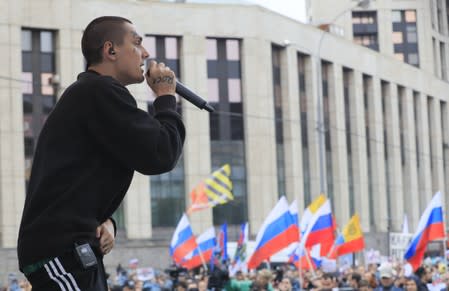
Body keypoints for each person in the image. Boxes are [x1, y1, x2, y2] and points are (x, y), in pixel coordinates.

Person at [17, 16, 185, 291]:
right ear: (111, 50)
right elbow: (160, 152)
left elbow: (81, 179)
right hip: (62, 248)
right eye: (137, 43)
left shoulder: (92, 95)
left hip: (70, 247)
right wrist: (166, 97)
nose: (145, 54)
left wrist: (106, 221)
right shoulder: (99, 91)